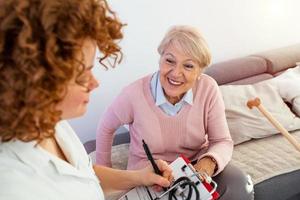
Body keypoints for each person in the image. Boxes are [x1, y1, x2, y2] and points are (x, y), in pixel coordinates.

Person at [0, 0, 173, 199]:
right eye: (83, 76)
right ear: (37, 82)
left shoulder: (50, 121)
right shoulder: (12, 186)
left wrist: (139, 177)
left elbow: (85, 177)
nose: (94, 83)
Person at [96, 25, 254, 199]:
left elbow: (222, 141)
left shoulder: (208, 88)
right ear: (160, 59)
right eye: (170, 61)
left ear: (200, 72)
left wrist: (207, 163)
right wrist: (106, 177)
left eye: (188, 66)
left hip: (195, 169)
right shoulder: (133, 94)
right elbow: (105, 128)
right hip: (150, 174)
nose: (176, 73)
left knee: (240, 186)